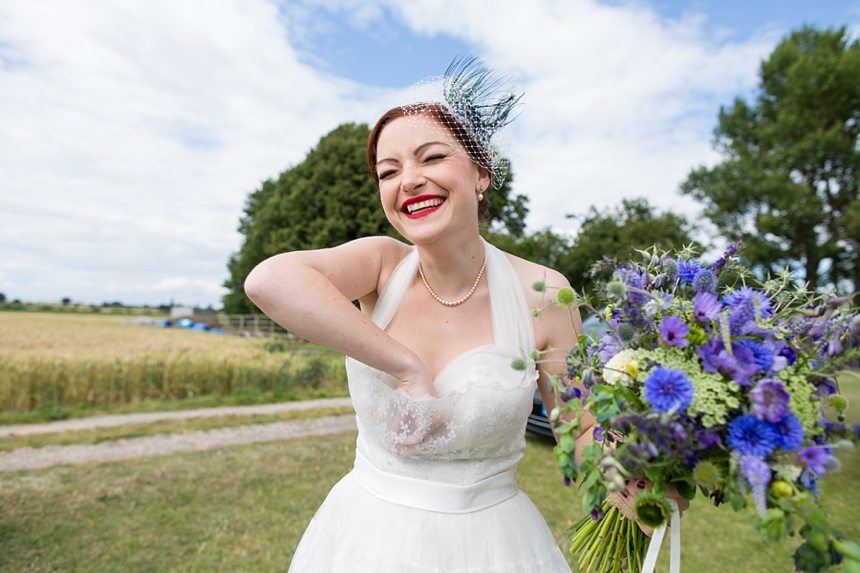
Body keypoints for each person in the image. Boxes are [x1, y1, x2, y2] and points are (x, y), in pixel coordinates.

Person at [245, 58, 577, 571]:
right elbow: (268, 281)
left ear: (481, 171)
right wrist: (406, 366)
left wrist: (653, 466)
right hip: (365, 538)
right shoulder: (381, 266)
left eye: (431, 158)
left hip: (493, 547)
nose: (410, 181)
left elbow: (581, 435)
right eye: (389, 171)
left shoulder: (544, 294)